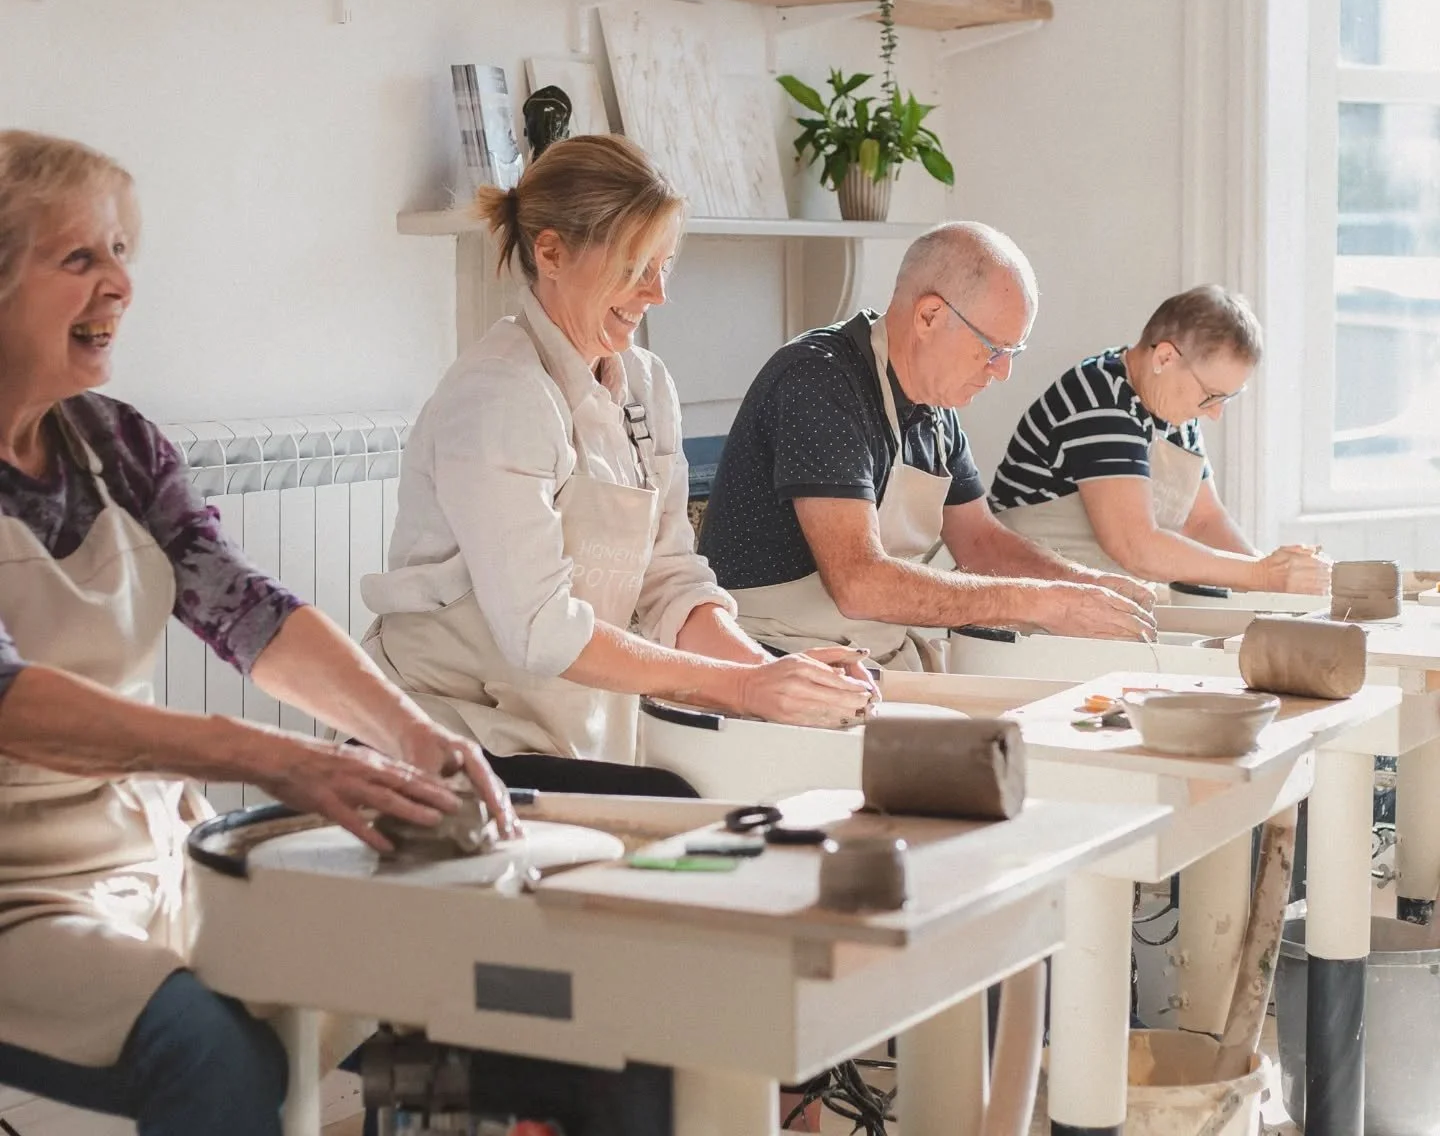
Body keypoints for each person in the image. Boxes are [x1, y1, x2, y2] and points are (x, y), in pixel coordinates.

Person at [0, 131, 516, 1136]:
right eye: (79, 260)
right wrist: (276, 761)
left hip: (140, 857)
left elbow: (246, 609)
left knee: (412, 976)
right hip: (16, 901)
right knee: (217, 1058)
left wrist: (410, 735)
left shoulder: (114, 444)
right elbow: (10, 702)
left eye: (121, 255)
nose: (120, 287)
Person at [361, 134, 875, 794]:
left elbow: (669, 582)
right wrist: (746, 688)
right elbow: (543, 634)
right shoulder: (498, 395)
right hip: (446, 743)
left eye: (666, 266)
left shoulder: (645, 385)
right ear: (550, 252)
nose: (658, 293)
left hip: (560, 737)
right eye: (636, 268)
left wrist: (779, 677)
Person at [698, 222, 1157, 671]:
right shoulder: (820, 381)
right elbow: (859, 583)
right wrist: (1040, 602)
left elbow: (980, 542)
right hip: (772, 661)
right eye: (994, 349)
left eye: (1013, 353)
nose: (1002, 372)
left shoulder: (936, 411)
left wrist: (1084, 584)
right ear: (929, 316)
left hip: (873, 657)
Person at [989, 285, 1330, 592]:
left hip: (1091, 606)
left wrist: (1273, 577)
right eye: (1211, 395)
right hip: (1026, 609)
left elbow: (1205, 521)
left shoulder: (1173, 408)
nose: (1214, 413)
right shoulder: (1099, 400)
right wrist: (1262, 574)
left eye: (1226, 398)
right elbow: (1136, 547)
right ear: (1165, 357)